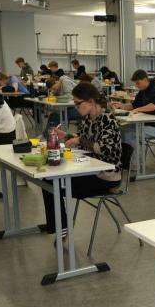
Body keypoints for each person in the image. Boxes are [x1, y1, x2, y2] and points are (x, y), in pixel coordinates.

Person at [42, 82, 123, 238]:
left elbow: (105, 149)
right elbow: (85, 142)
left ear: (91, 102)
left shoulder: (108, 120)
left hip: (107, 175)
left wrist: (79, 140)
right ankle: (60, 225)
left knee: (53, 183)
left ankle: (61, 226)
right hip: (90, 169)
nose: (76, 107)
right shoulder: (86, 119)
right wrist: (65, 136)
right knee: (48, 180)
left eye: (78, 103)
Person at [112, 69, 155, 167]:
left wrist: (139, 109)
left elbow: (154, 106)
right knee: (120, 130)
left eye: (138, 83)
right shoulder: (142, 92)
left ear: (145, 79)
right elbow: (133, 106)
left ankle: (135, 164)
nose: (137, 85)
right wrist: (121, 106)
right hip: (143, 125)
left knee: (131, 134)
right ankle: (126, 160)